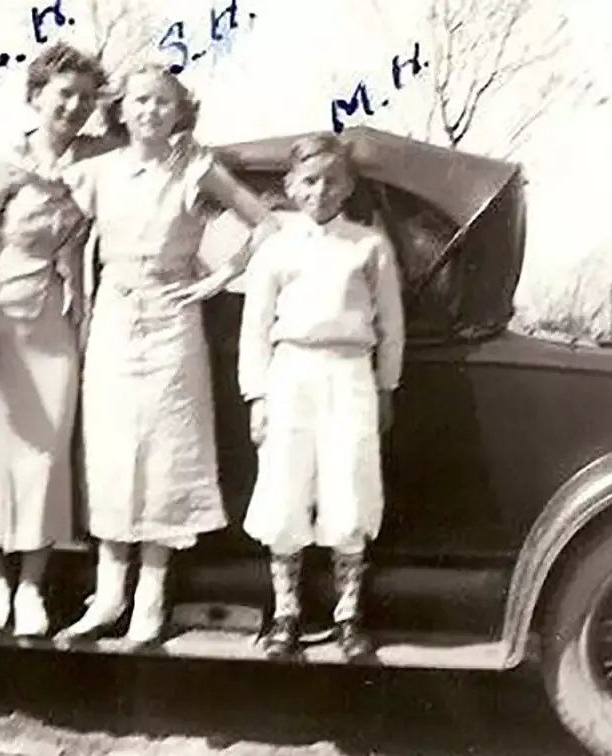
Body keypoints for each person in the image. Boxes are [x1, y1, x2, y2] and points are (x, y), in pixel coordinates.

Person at [54, 62, 278, 644]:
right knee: (110, 453)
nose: (150, 111)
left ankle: (149, 605)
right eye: (140, 100)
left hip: (174, 323)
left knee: (164, 458)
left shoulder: (195, 168)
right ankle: (107, 598)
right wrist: (75, 291)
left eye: (162, 102)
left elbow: (266, 224)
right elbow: (61, 234)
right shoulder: (97, 171)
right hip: (113, 321)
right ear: (121, 109)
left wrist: (216, 279)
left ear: (179, 111)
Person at [0, 42, 123, 638]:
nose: (74, 106)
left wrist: (84, 319)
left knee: (42, 455)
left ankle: (32, 585)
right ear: (37, 97)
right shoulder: (3, 164)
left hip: (55, 325)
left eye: (86, 98)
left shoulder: (94, 161)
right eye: (64, 94)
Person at [236, 133, 405, 661]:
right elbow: (255, 326)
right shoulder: (276, 247)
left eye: (333, 180)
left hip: (350, 371)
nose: (321, 190)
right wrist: (257, 395)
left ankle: (348, 614)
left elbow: (392, 324)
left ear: (349, 185)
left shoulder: (368, 245)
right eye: (309, 180)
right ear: (290, 186)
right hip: (290, 371)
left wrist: (386, 386)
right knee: (285, 488)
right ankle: (286, 614)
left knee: (349, 488)